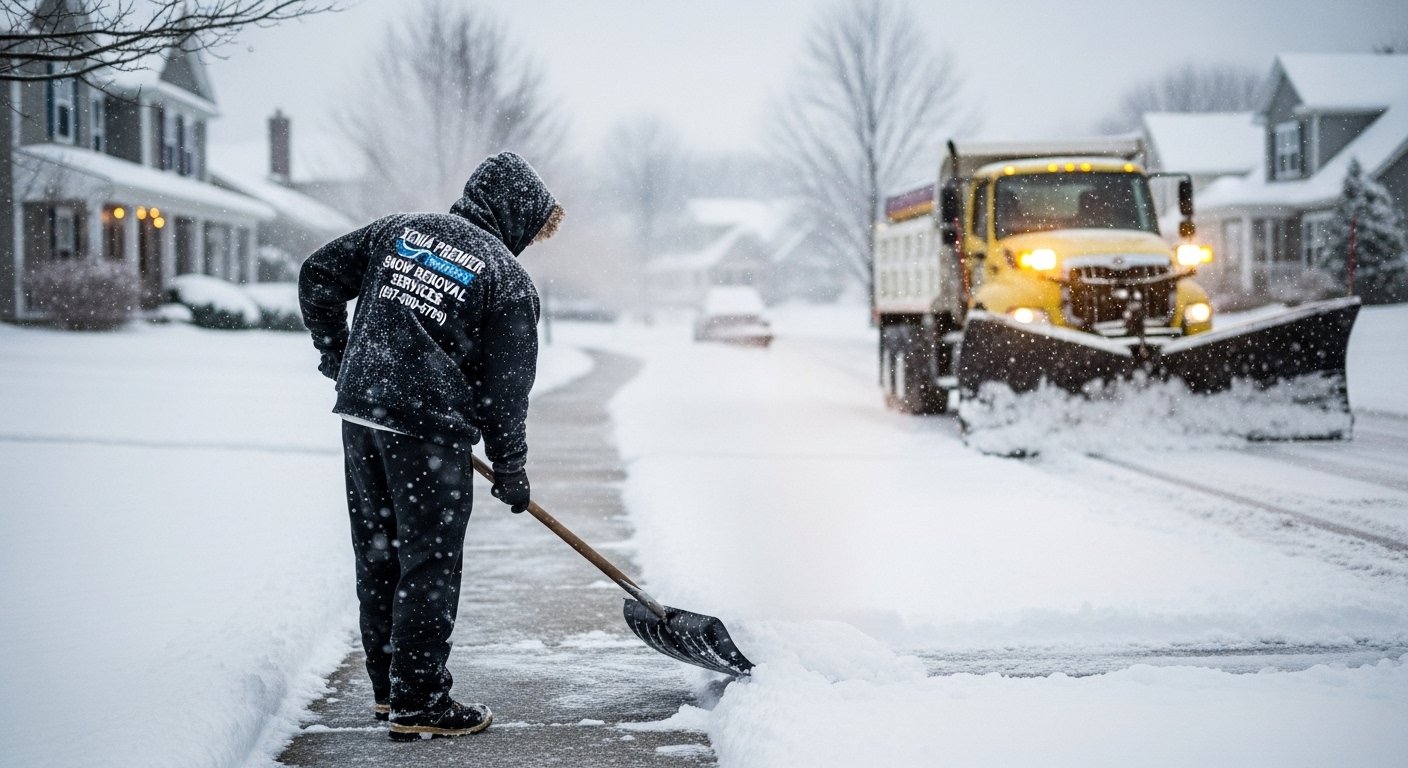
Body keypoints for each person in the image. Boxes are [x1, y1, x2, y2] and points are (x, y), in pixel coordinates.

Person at [298, 152, 563, 742]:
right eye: (533, 231)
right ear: (516, 217)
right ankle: (420, 700)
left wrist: (337, 354)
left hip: (364, 415)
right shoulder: (506, 278)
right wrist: (511, 465)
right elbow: (505, 389)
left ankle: (391, 692)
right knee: (429, 561)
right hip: (428, 433)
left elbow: (317, 273)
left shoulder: (400, 230)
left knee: (380, 552)